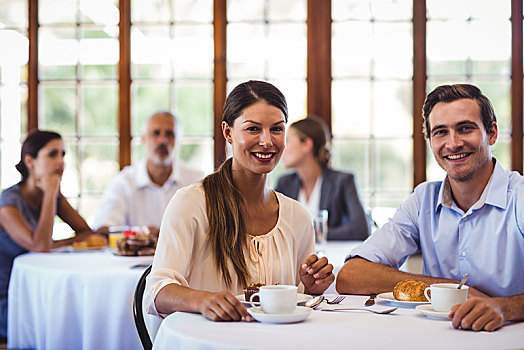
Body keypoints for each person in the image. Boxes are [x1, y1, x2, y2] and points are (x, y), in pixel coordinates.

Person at [336, 84, 524, 332]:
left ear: (491, 134)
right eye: (440, 132)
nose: (453, 143)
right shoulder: (423, 199)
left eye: (465, 128)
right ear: (430, 141)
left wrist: (503, 308)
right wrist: (447, 288)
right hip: (434, 338)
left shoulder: (519, 197)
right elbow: (352, 275)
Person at [145, 80, 334, 322]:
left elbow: (294, 303)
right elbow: (156, 292)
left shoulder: (297, 217)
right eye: (253, 129)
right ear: (228, 132)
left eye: (277, 129)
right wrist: (203, 300)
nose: (267, 141)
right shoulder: (190, 204)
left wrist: (311, 287)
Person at [0, 130, 103, 341]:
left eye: (63, 154)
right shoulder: (8, 203)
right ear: (30, 161)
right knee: (66, 324)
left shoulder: (55, 197)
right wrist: (49, 195)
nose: (61, 162)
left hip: (38, 291)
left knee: (85, 315)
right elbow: (40, 247)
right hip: (9, 298)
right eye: (52, 154)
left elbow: (86, 233)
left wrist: (55, 243)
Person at [93, 111, 204, 236]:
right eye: (155, 133)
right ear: (143, 139)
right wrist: (143, 233)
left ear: (178, 141)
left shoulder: (197, 181)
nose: (163, 140)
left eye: (170, 134)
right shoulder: (123, 182)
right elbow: (103, 230)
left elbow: (209, 228)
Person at [275, 116, 369, 240]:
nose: (281, 147)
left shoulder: (343, 181)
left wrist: (312, 235)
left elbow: (361, 230)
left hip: (330, 255)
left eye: (288, 140)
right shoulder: (285, 183)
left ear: (307, 145)